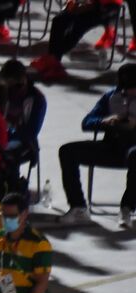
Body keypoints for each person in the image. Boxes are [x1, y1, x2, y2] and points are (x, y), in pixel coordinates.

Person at [56, 63, 136, 229]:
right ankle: (78, 207)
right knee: (67, 151)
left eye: (132, 88)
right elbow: (87, 122)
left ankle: (127, 208)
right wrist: (105, 122)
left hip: (133, 149)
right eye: (125, 88)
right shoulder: (111, 96)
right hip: (111, 146)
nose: (128, 92)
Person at [33, 1, 129, 82]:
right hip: (89, 4)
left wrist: (87, 6)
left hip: (107, 6)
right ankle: (53, 60)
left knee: (79, 25)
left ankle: (53, 61)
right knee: (59, 20)